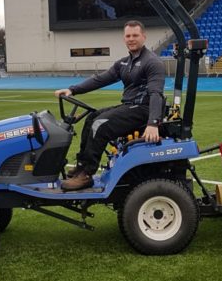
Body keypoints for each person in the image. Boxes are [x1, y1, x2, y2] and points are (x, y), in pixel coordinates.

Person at [55, 20, 165, 191]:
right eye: (128, 36)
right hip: (129, 106)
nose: (131, 39)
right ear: (124, 38)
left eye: (135, 35)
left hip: (144, 109)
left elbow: (156, 93)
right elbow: (100, 79)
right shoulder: (124, 63)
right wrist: (72, 90)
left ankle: (87, 175)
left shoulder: (152, 62)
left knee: (100, 124)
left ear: (144, 36)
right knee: (91, 118)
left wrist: (153, 123)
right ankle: (82, 166)